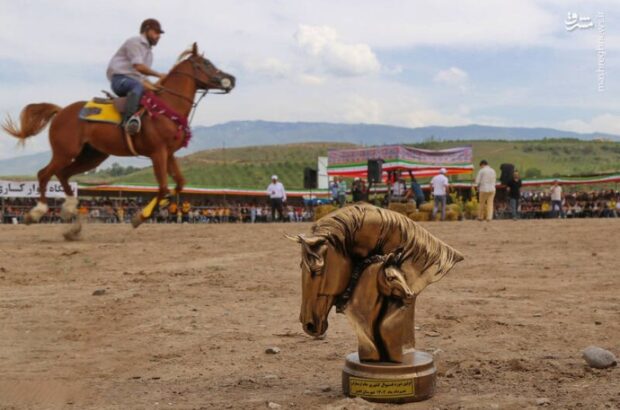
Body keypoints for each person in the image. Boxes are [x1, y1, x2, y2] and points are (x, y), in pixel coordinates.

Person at [106, 18, 166, 135]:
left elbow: (142, 77)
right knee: (137, 86)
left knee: (155, 94)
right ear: (147, 30)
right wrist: (159, 75)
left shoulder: (149, 53)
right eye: (156, 32)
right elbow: (139, 67)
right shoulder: (134, 42)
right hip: (119, 80)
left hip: (134, 81)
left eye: (159, 33)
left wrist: (156, 87)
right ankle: (128, 121)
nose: (158, 36)